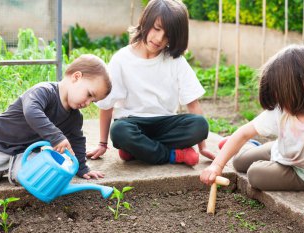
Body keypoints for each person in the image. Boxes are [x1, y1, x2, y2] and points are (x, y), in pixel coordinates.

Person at [200, 44, 304, 226]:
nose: (279, 104)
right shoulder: (283, 107)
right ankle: (256, 148)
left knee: (255, 174)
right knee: (237, 162)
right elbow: (244, 132)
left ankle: (268, 158)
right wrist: (216, 166)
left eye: (282, 97)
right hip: (282, 150)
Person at [87, 0, 215, 165]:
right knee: (119, 131)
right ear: (145, 21)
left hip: (166, 124)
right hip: (133, 123)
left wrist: (202, 146)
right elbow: (106, 105)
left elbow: (193, 104)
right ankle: (173, 155)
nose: (159, 38)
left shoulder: (176, 61)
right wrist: (102, 144)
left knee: (200, 125)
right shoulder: (121, 59)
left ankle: (139, 151)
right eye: (157, 28)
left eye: (168, 35)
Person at [0, 54, 112, 185]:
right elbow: (31, 112)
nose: (88, 103)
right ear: (76, 77)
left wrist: (82, 168)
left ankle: (13, 169)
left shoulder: (75, 117)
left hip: (25, 151)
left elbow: (77, 140)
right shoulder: (44, 91)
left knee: (37, 176)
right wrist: (57, 137)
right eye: (89, 94)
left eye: (93, 101)